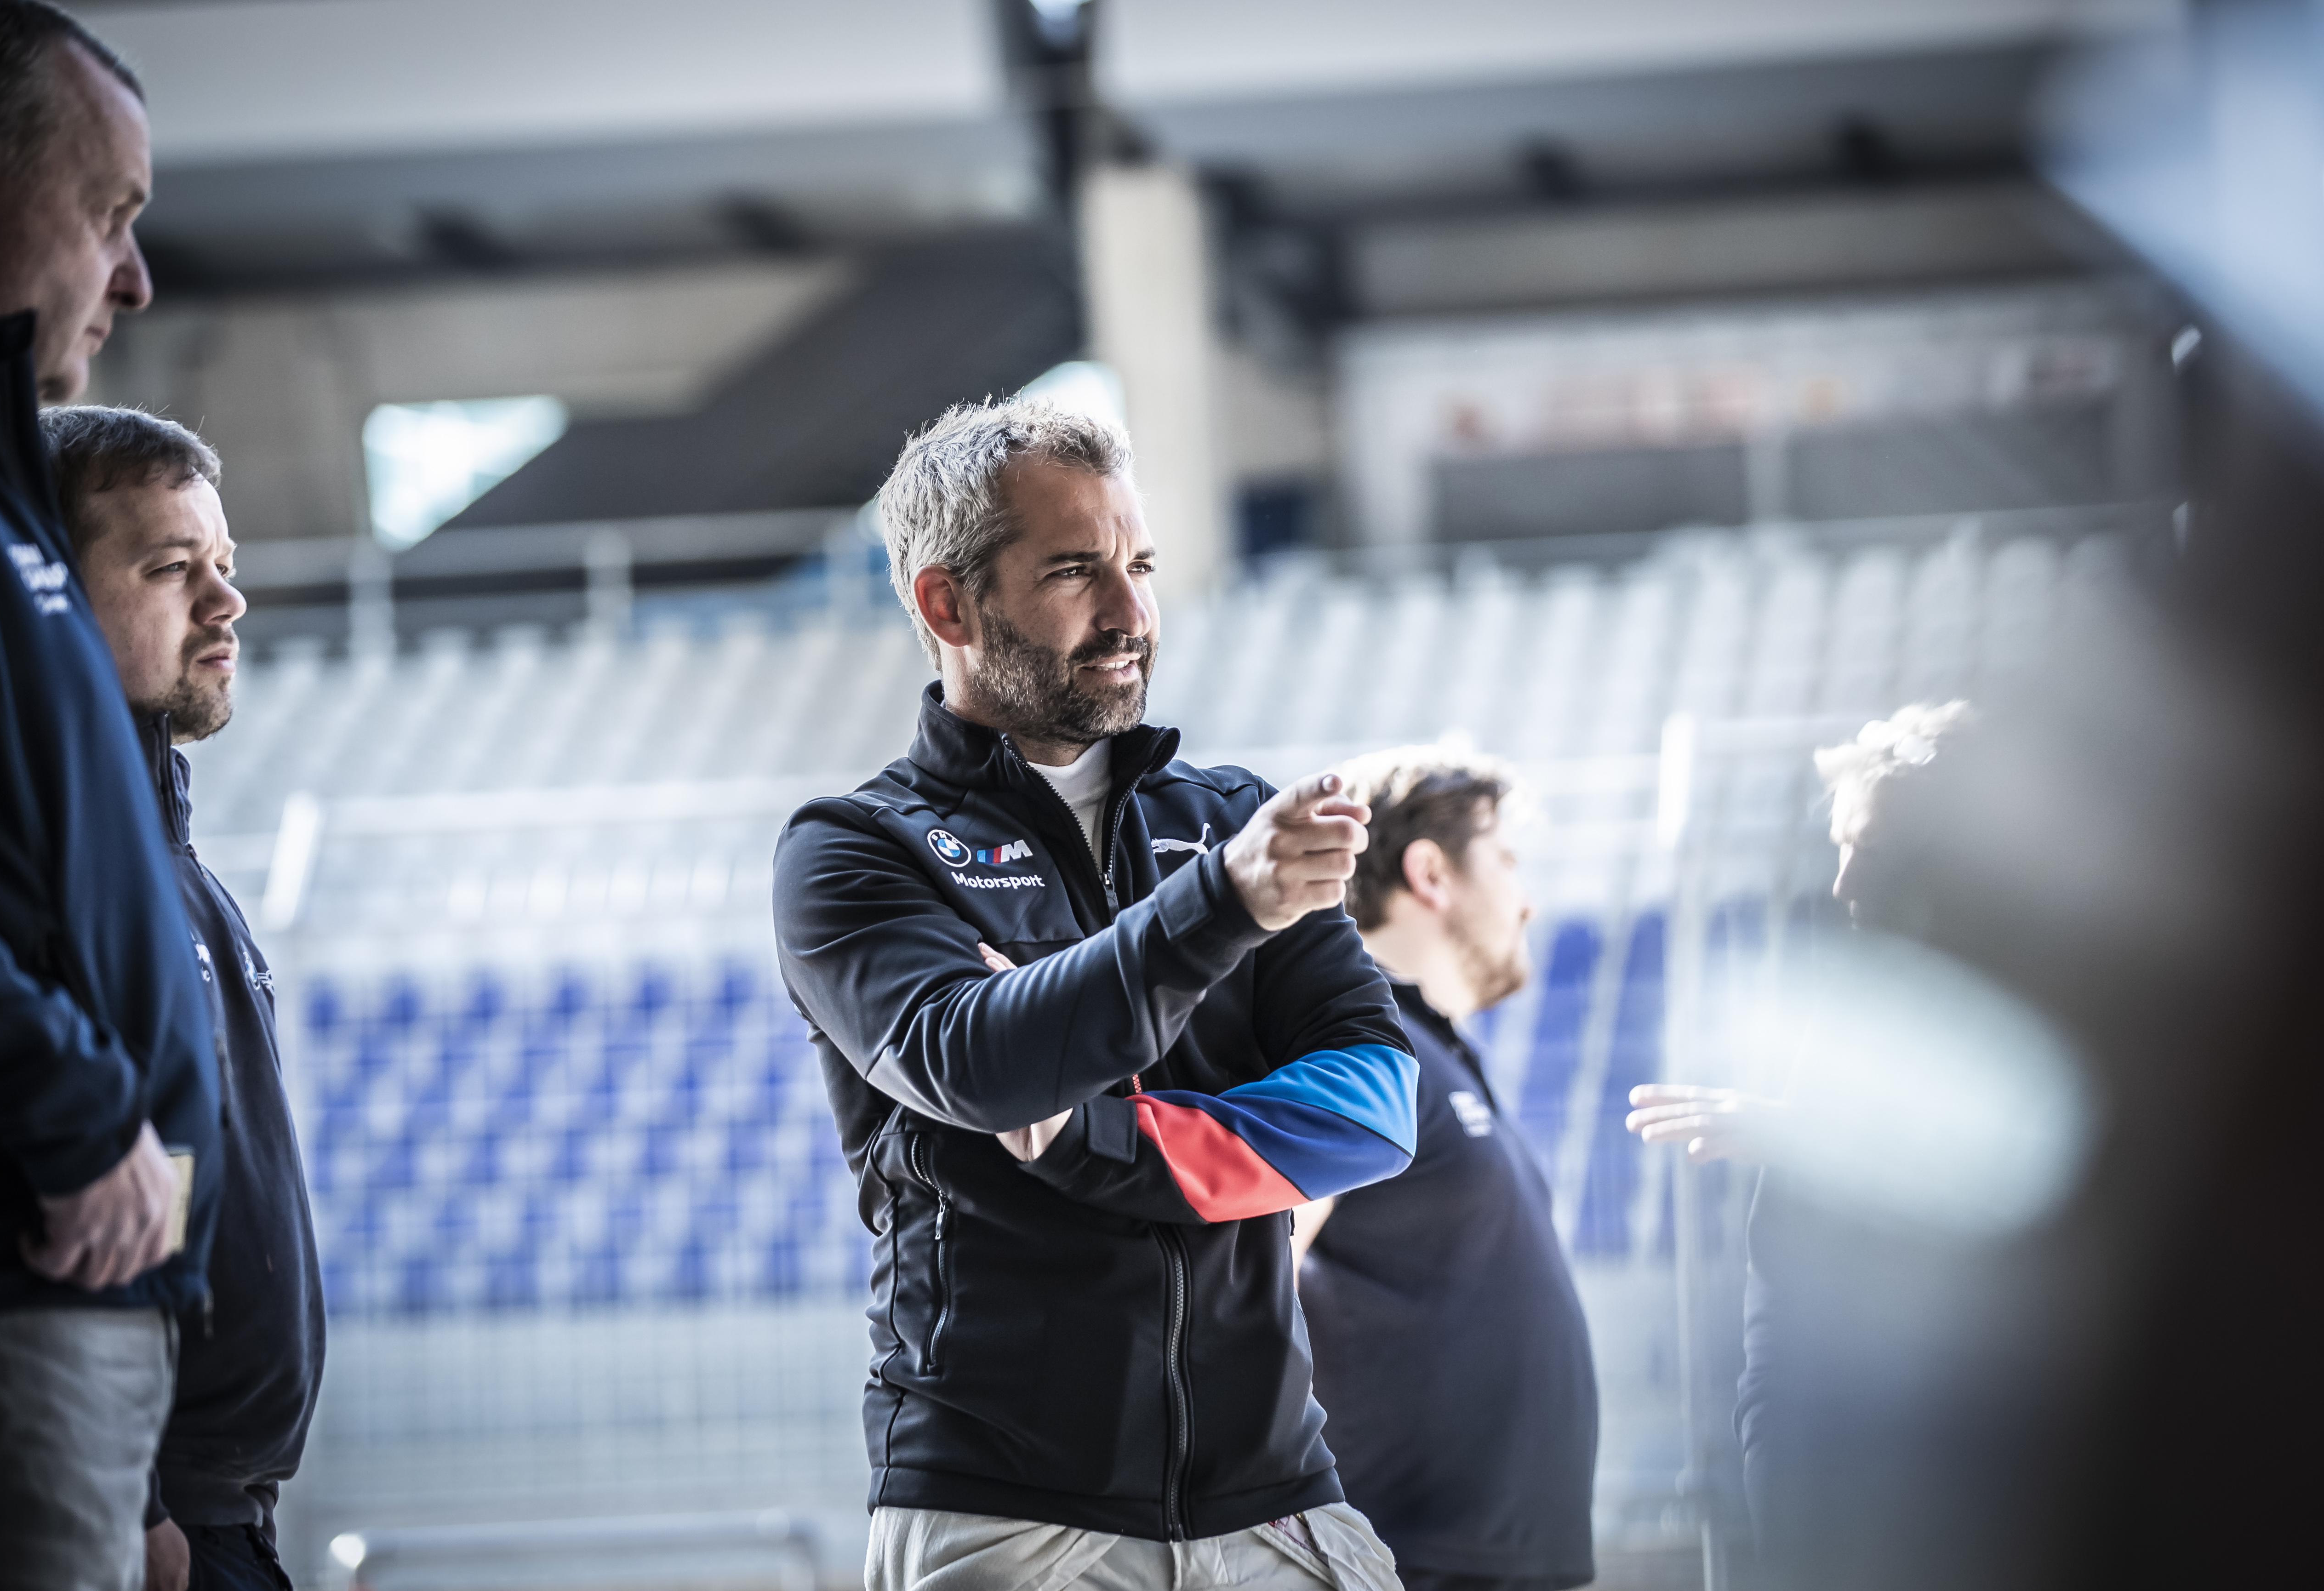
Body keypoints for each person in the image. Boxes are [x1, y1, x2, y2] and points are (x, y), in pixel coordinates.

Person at [773, 397, 1420, 1591]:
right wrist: (1222, 907)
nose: (1130, 613)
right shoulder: (855, 849)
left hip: (1278, 1502)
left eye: (1142, 567)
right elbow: (981, 1064)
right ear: (947, 605)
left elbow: (1379, 1104)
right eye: (1077, 571)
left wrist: (1096, 1139)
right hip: (1006, 1521)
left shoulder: (1231, 818)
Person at [0, 6, 224, 1589]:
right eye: (109, 214)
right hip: (3, 1276)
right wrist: (76, 1103)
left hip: (71, 1300)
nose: (136, 278)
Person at [44, 406, 326, 1591]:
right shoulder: (49, 870)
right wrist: (134, 1495)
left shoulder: (172, 866)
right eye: (171, 569)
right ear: (45, 593)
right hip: (144, 1519)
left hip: (223, 1514)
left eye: (225, 563)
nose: (227, 602)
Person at [1622, 701, 1972, 1570]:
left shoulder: (2054, 1000)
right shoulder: (1848, 1007)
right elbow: (1777, 1294)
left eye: (1872, 851)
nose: (1844, 882)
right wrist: (1771, 1448)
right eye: (1841, 847)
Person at [1291, 749, 1598, 1591]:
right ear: (1431, 872)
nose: (1527, 899)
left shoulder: (1433, 1046)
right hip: (1408, 1564)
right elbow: (1253, 1265)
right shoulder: (1358, 1041)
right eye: (1505, 859)